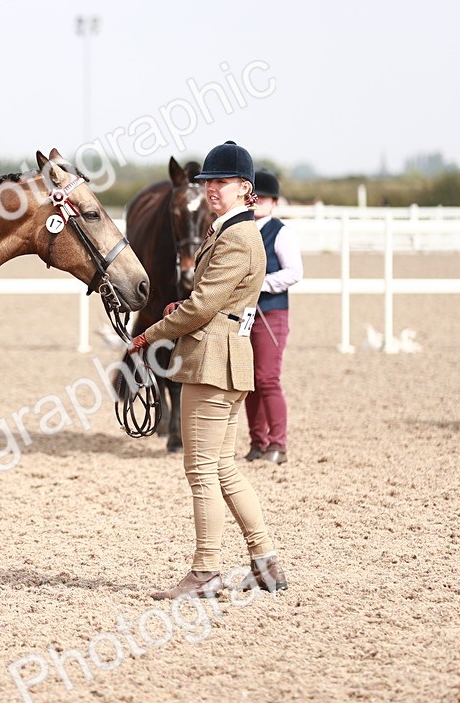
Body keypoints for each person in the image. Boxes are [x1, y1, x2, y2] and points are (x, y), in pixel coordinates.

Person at [128, 141, 287, 599]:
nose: (212, 189)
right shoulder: (233, 231)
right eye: (209, 182)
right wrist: (192, 308)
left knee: (200, 472)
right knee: (223, 469)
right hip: (224, 357)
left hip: (211, 363)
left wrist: (149, 334)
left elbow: (201, 306)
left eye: (221, 183)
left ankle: (205, 571)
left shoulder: (237, 237)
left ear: (245, 189)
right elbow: (212, 302)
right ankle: (264, 563)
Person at [245, 170, 303, 465]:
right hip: (245, 314)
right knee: (249, 381)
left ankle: (278, 443)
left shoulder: (280, 233)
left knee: (267, 378)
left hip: (272, 312)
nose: (257, 203)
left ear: (274, 202)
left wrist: (261, 283)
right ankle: (257, 442)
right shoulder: (242, 230)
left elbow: (294, 272)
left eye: (263, 198)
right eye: (253, 197)